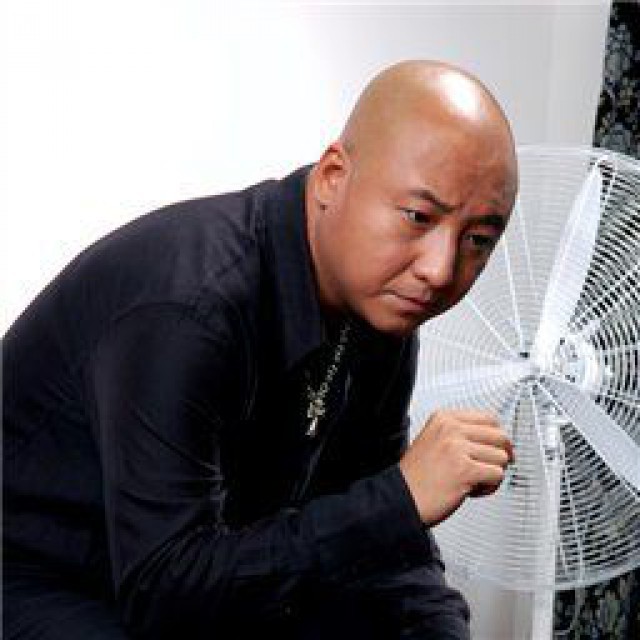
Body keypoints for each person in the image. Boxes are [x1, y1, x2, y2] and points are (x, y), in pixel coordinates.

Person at [3, 59, 518, 639]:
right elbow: (166, 592)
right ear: (332, 177)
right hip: (35, 577)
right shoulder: (191, 308)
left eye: (478, 240)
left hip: (188, 578)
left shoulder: (382, 305)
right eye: (419, 217)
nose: (440, 269)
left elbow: (384, 555)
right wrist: (398, 500)